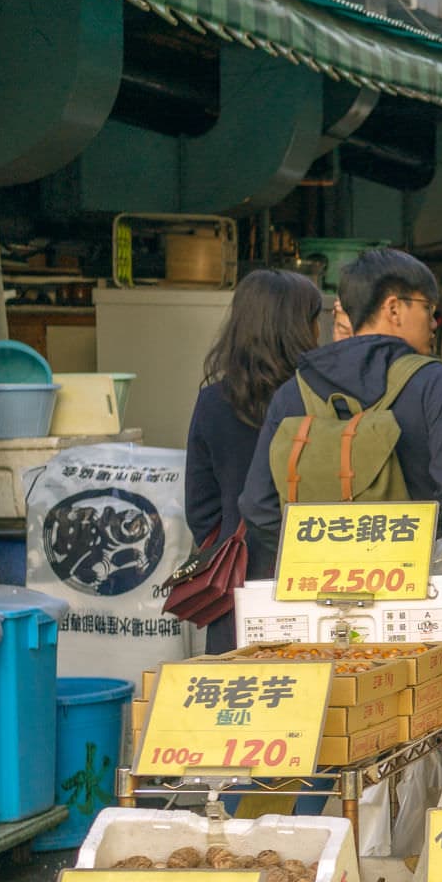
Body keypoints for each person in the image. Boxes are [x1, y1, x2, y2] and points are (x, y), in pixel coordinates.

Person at [240, 248, 442, 560]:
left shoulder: (294, 390)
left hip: (317, 578)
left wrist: (309, 562)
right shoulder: (433, 382)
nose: (434, 322)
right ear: (394, 309)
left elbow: (257, 505)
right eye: (428, 307)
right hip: (414, 581)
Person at [184, 269, 324, 652]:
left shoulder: (213, 402)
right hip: (315, 574)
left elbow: (200, 509)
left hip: (237, 582)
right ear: (299, 328)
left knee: (239, 683)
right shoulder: (318, 401)